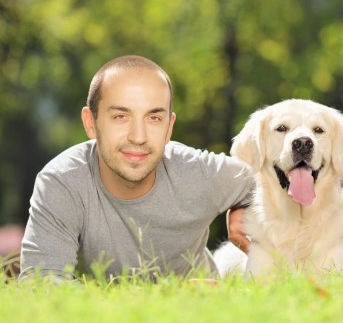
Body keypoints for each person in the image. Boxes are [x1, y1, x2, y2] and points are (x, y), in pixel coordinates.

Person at [19, 55, 254, 282]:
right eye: (121, 116)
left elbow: (270, 180)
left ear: (169, 128)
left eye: (153, 118)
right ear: (91, 122)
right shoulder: (62, 182)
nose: (139, 137)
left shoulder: (198, 172)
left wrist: (243, 207)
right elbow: (40, 282)